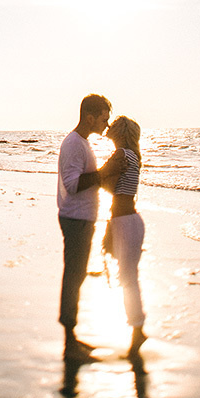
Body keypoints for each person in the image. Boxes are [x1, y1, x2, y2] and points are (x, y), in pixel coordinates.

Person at [56, 93, 117, 360]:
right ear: (90, 117)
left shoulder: (82, 143)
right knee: (74, 277)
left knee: (77, 276)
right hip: (75, 219)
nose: (107, 123)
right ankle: (70, 345)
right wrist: (105, 171)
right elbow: (72, 184)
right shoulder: (74, 144)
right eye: (104, 118)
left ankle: (73, 340)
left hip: (81, 218)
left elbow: (87, 179)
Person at [100, 115, 147, 357]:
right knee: (128, 276)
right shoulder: (134, 156)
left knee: (128, 278)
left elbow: (105, 182)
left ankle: (138, 329)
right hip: (129, 220)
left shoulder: (121, 155)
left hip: (125, 222)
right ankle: (136, 327)